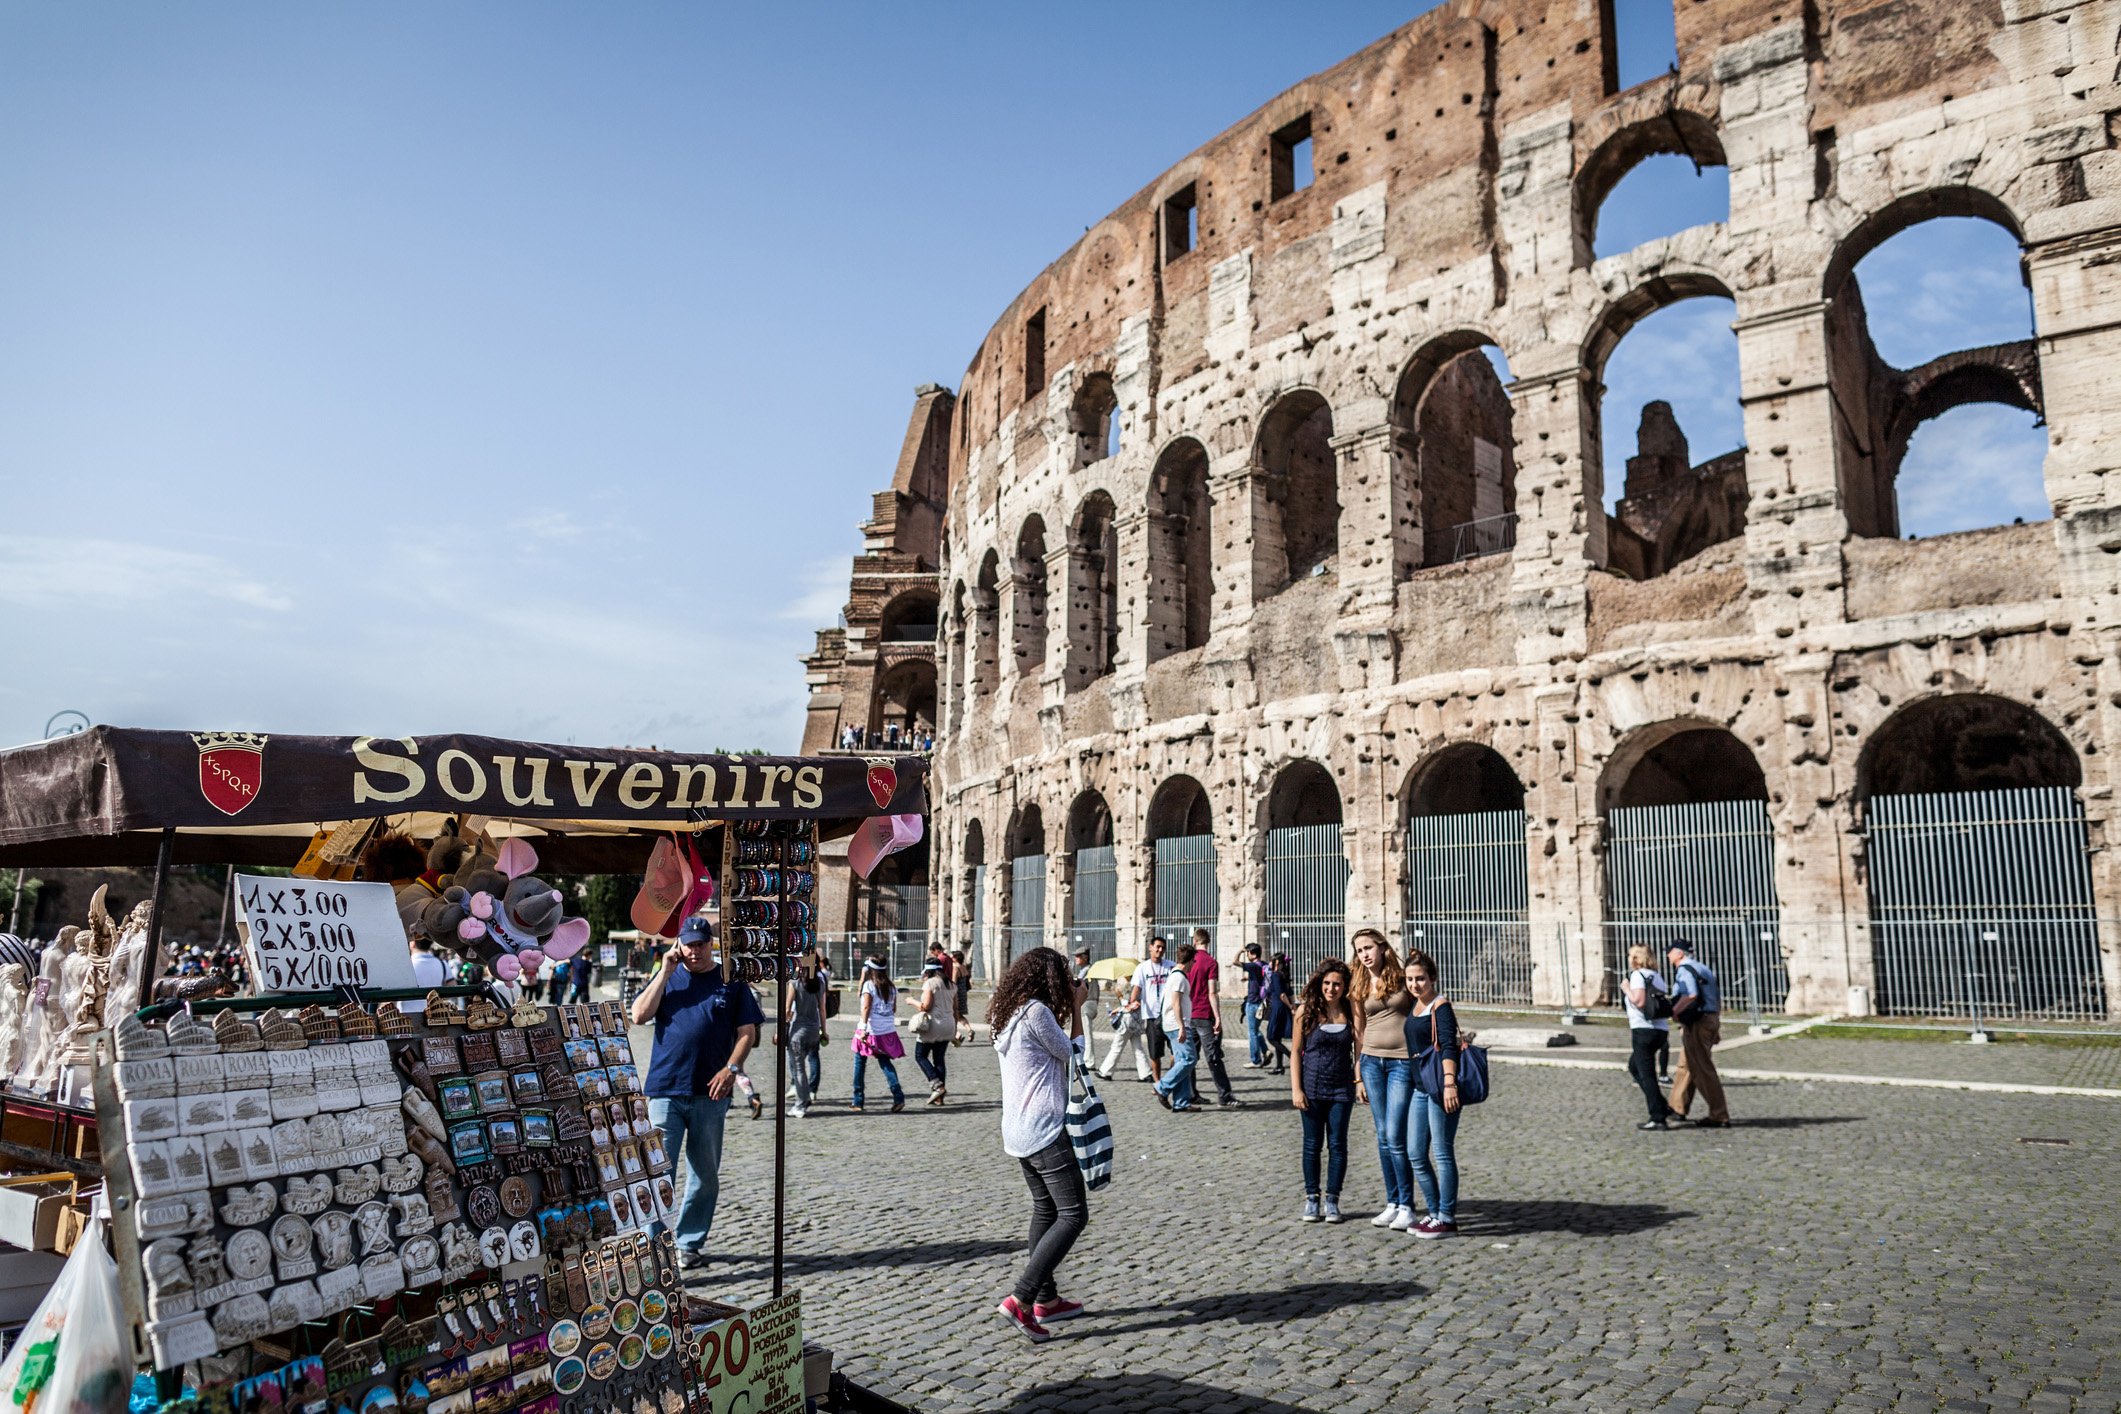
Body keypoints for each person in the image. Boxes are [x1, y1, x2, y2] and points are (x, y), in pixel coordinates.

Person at [631, 916, 761, 1270]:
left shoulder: (731, 983)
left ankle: (688, 1242)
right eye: (688, 944)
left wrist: (731, 1068)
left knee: (704, 1175)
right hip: (664, 1090)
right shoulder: (670, 977)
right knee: (658, 1173)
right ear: (679, 945)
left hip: (711, 1094)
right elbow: (638, 1015)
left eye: (701, 943)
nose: (695, 950)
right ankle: (654, 1246)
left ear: (711, 943)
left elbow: (747, 1032)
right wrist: (665, 971)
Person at [989, 946, 1088, 1343]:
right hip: (1044, 1127)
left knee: (1045, 1208)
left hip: (1016, 1128)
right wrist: (1078, 1006)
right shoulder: (1035, 1012)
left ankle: (1047, 1298)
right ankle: (1022, 1298)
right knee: (1073, 1214)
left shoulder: (1006, 1011)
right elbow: (1074, 1054)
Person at [1350, 928, 1417, 1231]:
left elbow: (1421, 1012)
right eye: (1359, 950)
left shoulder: (1404, 977)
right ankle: (1392, 1202)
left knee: (1395, 1133)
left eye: (1368, 947)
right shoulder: (1360, 982)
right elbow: (1359, 1031)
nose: (1364, 954)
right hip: (1372, 1063)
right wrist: (1358, 1074)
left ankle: (1407, 1205)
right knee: (1382, 1135)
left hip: (1402, 1062)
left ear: (1381, 946)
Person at [1291, 958, 1359, 1223]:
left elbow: (1359, 1049)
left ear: (1344, 987)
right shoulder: (1305, 1011)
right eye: (1327, 983)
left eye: (1337, 984)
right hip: (1312, 1087)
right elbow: (1296, 1052)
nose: (1331, 989)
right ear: (1320, 983)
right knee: (1312, 1146)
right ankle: (1312, 1198)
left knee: (1338, 1145)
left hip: (1341, 1089)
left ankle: (1332, 1199)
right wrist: (1297, 1089)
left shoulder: (1350, 1011)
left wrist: (1358, 1081)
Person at [1403, 947, 1461, 1239]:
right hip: (1419, 1088)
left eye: (1421, 979)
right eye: (1410, 979)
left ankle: (1447, 1217)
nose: (1415, 985)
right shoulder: (1413, 1006)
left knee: (1442, 1152)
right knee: (1415, 1152)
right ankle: (1434, 1212)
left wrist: (1450, 1083)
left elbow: (1449, 1045)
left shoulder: (1441, 1006)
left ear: (1433, 978)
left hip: (1440, 1088)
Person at [1667, 939, 1729, 1127]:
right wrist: (1715, 1025)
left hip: (1697, 1022)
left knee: (1702, 1069)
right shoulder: (1703, 968)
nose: (1668, 955)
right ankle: (1677, 1107)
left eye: (1670, 952)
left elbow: (1691, 994)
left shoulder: (1685, 970)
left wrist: (1673, 1011)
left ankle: (1719, 1114)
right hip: (1708, 1019)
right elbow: (1716, 998)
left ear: (1679, 953)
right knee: (1685, 1066)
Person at [1623, 944, 1681, 1130]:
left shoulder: (1637, 976)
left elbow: (1639, 1001)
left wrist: (1626, 988)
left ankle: (1657, 1117)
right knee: (1635, 1067)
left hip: (1643, 1029)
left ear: (1636, 958)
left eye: (1631, 955)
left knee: (1646, 1074)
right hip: (1660, 1029)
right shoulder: (1656, 976)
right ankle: (1662, 1107)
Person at [1183, 929, 1237, 1106]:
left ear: (1195, 941)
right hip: (1204, 1015)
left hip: (1189, 1014)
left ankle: (1191, 1093)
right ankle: (1224, 1095)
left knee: (1190, 1057)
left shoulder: (1188, 961)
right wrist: (1218, 1017)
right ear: (1209, 941)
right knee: (1213, 1058)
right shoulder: (1211, 963)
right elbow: (1212, 992)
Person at [851, 959, 908, 1112]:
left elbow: (866, 1007)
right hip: (887, 1030)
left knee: (859, 1062)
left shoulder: (869, 985)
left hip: (869, 1030)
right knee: (885, 1063)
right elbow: (893, 1008)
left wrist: (862, 1028)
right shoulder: (891, 987)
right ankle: (898, 1097)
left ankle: (858, 1101)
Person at [779, 950, 828, 1118]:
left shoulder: (795, 982)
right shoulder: (819, 983)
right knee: (803, 1066)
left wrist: (781, 1030)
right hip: (814, 1030)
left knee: (798, 1069)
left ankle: (800, 1104)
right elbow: (822, 1009)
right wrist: (824, 1030)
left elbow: (787, 1009)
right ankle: (805, 1096)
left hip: (798, 1032)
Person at [1154, 941, 1199, 1111]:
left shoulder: (1175, 974)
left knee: (1182, 1061)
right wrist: (1181, 1026)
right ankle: (1162, 1087)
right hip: (1176, 1025)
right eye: (1193, 961)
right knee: (1189, 1059)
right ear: (1189, 960)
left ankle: (1181, 1102)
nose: (1194, 965)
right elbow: (1176, 1003)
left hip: (1174, 1024)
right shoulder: (1179, 977)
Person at [1124, 936, 1177, 1084]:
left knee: (1175, 1050)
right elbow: (1137, 987)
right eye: (1157, 947)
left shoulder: (1171, 966)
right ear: (1150, 948)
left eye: (1162, 948)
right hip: (1152, 1016)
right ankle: (1157, 1081)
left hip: (1169, 1014)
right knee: (1155, 1053)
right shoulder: (1142, 967)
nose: (1160, 950)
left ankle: (1171, 1079)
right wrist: (1132, 1002)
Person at [1096, 962, 1153, 1083]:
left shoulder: (1131, 987)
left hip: (1127, 1021)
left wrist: (1120, 998)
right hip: (1137, 1021)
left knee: (1117, 1046)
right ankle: (1146, 1073)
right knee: (1138, 1048)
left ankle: (1106, 1071)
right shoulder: (1142, 986)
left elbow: (1128, 1005)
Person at [911, 958, 958, 1104]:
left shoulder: (930, 983)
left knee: (920, 1055)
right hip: (948, 1024)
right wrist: (955, 1028)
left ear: (928, 971)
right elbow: (956, 1009)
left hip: (933, 1025)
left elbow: (925, 1006)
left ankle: (936, 1085)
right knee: (939, 1060)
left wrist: (911, 1001)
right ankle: (939, 1098)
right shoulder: (951, 984)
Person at [1238, 943, 1269, 1068]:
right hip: (1261, 1002)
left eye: (1248, 953)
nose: (1247, 955)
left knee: (1252, 1032)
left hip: (1252, 1002)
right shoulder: (1263, 965)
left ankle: (1255, 1060)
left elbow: (1235, 962)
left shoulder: (1253, 966)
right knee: (1256, 1030)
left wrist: (1240, 951)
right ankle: (1266, 1051)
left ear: (1253, 954)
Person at [1263, 952, 1294, 1073]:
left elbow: (1282, 995)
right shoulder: (1284, 975)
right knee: (1277, 1037)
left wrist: (1290, 1006)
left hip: (1278, 1007)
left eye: (1271, 961)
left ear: (1276, 963)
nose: (1269, 963)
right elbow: (1290, 992)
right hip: (1282, 1007)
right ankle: (1279, 1066)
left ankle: (1292, 1056)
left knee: (1271, 1037)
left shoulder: (1276, 975)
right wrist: (1292, 1005)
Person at [406, 935, 448, 1014]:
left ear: (413, 943)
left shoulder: (404, 965)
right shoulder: (442, 963)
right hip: (436, 1016)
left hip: (407, 1017)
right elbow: (452, 987)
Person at [951, 950, 972, 1044]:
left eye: (952, 957)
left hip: (957, 994)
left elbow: (954, 982)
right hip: (963, 993)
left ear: (955, 958)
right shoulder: (964, 967)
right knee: (959, 1015)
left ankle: (957, 1034)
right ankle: (969, 1030)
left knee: (953, 1014)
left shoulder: (956, 968)